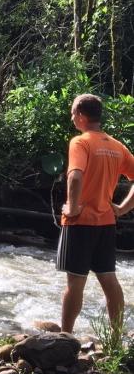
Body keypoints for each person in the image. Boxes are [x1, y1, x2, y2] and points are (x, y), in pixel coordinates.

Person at [58, 94, 134, 335]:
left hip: (80, 223)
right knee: (109, 280)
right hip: (107, 223)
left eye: (72, 113)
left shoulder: (80, 142)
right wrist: (122, 209)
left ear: (81, 115)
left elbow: (75, 175)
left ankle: (66, 336)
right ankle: (115, 338)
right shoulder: (116, 146)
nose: (72, 117)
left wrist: (71, 207)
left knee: (75, 283)